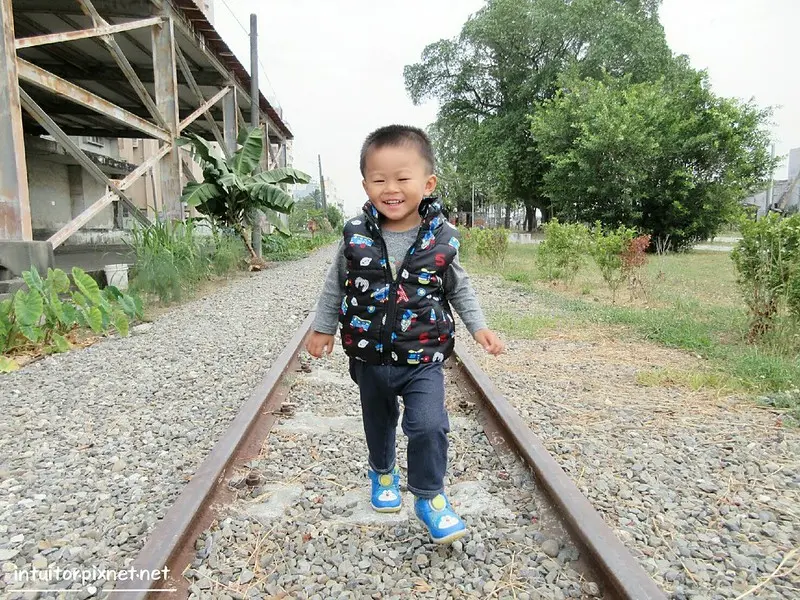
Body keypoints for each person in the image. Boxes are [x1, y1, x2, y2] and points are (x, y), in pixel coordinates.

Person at [306, 125, 504, 545]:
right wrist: (322, 328)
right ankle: (382, 472)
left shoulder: (442, 239)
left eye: (402, 178)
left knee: (430, 425)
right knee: (378, 423)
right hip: (370, 357)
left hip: (424, 358)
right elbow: (334, 283)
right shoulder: (356, 235)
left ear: (427, 183)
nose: (390, 189)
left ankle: (430, 497)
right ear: (365, 184)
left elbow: (459, 288)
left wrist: (479, 326)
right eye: (379, 180)